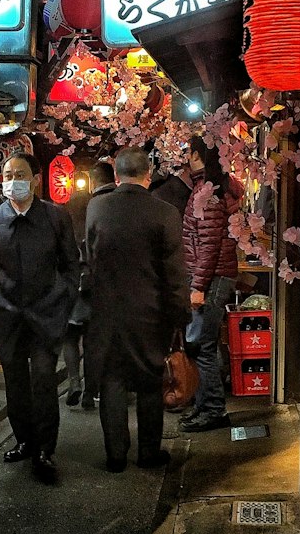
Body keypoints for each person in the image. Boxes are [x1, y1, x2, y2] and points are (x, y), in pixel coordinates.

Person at [0, 152, 80, 483]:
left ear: (35, 180)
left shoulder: (56, 217)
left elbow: (71, 265)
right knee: (15, 383)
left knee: (44, 379)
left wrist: (63, 300)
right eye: (6, 174)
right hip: (5, 317)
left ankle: (46, 448)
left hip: (46, 315)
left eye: (19, 174)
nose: (12, 180)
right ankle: (24, 441)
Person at [84, 148, 189, 471]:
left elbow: (90, 258)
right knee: (148, 383)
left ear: (115, 176)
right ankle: (148, 453)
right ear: (149, 175)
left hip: (106, 311)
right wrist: (180, 315)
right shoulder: (165, 213)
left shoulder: (97, 208)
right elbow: (174, 272)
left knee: (112, 380)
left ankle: (115, 455)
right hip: (150, 312)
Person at [181, 134, 243, 432]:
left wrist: (197, 287)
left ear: (197, 155)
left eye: (189, 152)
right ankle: (204, 406)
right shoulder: (209, 187)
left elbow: (208, 246)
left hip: (212, 277)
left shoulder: (208, 192)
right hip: (214, 275)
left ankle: (214, 411)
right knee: (204, 345)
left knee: (203, 346)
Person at [63, 158, 116, 410]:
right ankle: (90, 392)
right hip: (102, 283)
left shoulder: (71, 204)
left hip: (74, 278)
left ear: (92, 181)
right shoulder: (116, 204)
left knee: (70, 336)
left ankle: (74, 382)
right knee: (94, 340)